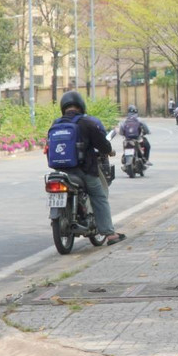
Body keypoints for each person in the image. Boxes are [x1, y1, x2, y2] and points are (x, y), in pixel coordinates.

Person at [50, 91, 125, 246]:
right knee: (99, 196)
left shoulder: (55, 124)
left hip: (61, 172)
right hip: (84, 171)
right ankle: (110, 234)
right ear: (81, 105)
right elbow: (103, 145)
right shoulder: (87, 123)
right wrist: (109, 151)